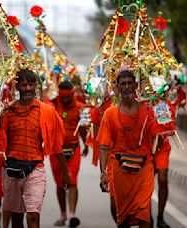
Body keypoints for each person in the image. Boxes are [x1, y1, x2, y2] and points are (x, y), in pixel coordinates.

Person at [0, 69, 70, 228]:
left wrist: (65, 173)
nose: (28, 89)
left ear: (36, 86)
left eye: (31, 84)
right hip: (11, 170)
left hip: (35, 169)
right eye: (24, 85)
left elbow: (56, 144)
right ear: (17, 87)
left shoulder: (46, 111)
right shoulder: (7, 112)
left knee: (33, 215)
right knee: (16, 218)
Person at [98, 70, 155, 228]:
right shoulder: (110, 114)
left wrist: (163, 119)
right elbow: (103, 146)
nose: (127, 87)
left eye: (130, 83)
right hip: (120, 170)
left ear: (136, 85)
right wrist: (103, 173)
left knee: (144, 214)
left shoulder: (148, 109)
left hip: (144, 167)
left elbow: (160, 135)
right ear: (117, 88)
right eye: (123, 84)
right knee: (122, 218)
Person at [45, 80, 88, 228]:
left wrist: (86, 144)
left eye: (68, 97)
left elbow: (82, 128)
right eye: (62, 97)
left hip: (74, 149)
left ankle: (72, 215)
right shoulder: (51, 105)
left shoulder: (80, 107)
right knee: (60, 183)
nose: (65, 100)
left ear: (72, 94)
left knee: (72, 180)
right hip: (56, 152)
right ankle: (62, 214)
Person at [154, 138, 171, 228]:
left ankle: (160, 216)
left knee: (163, 179)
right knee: (146, 182)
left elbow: (170, 125)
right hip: (146, 146)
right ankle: (146, 216)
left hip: (162, 147)